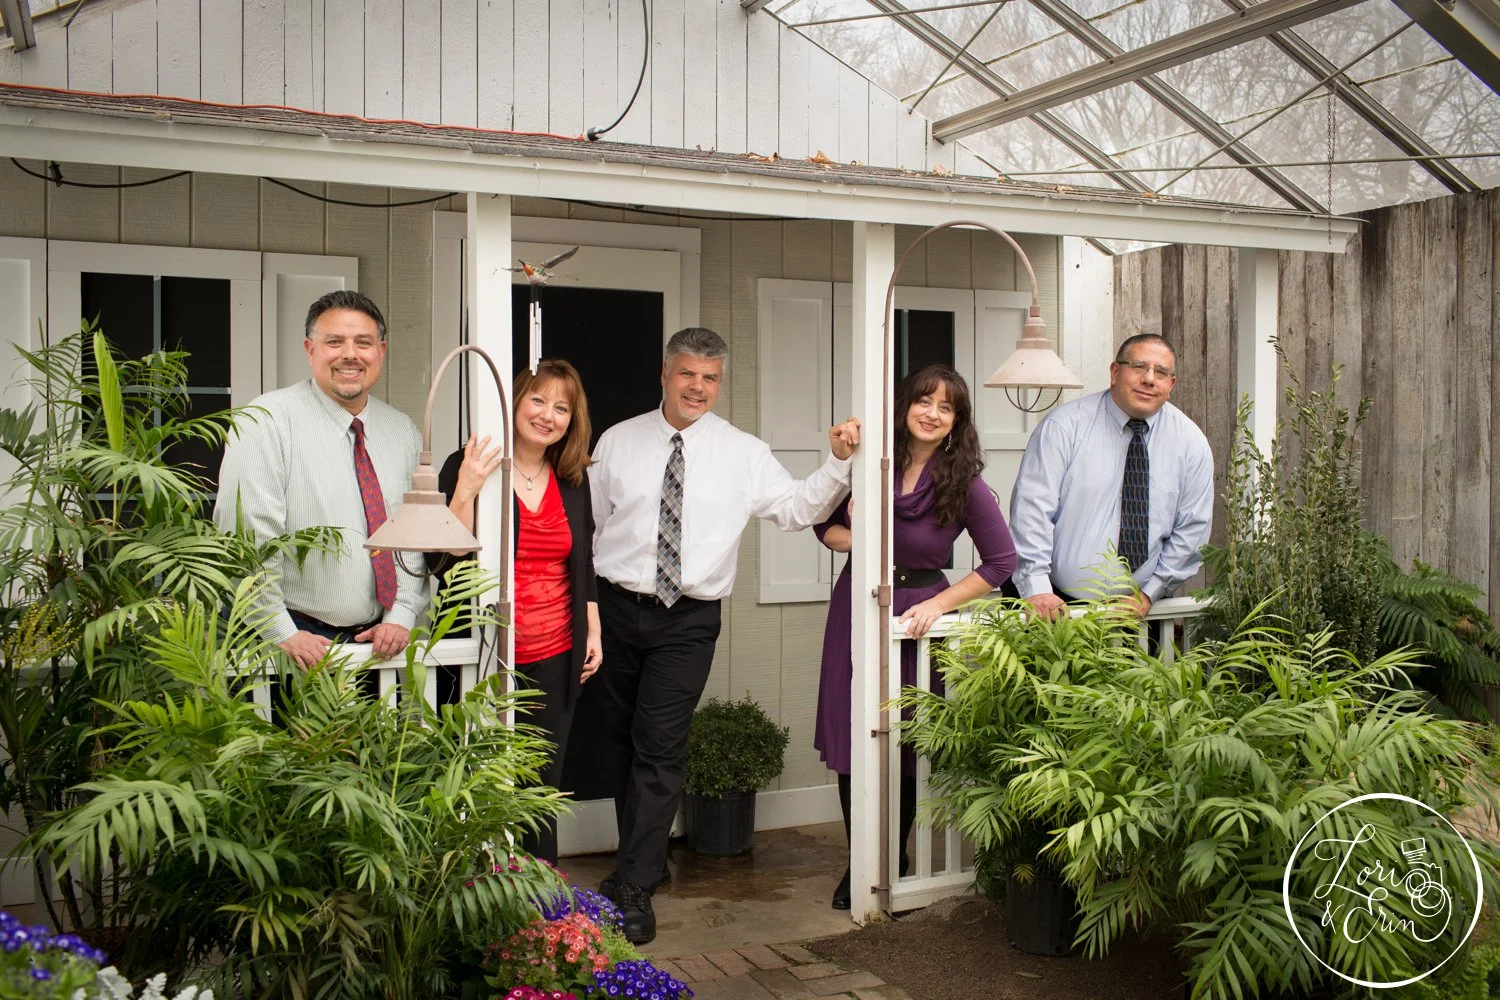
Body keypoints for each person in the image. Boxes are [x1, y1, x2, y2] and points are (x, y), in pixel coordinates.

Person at [589, 327, 862, 945]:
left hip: (688, 619)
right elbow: (597, 525)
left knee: (660, 745)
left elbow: (796, 509)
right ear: (665, 374)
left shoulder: (742, 451)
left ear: (720, 383)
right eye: (687, 374)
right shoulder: (617, 441)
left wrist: (838, 464)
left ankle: (634, 886)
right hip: (616, 608)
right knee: (621, 742)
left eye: (710, 378)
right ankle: (643, 859)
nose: (698, 387)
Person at [811, 364, 1016, 910]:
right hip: (857, 603)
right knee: (853, 733)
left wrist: (938, 604)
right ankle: (860, 860)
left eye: (946, 407)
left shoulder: (964, 482)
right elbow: (824, 526)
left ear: (957, 422)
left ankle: (894, 856)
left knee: (903, 743)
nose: (932, 413)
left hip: (916, 617)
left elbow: (1001, 562)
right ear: (905, 407)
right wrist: (861, 536)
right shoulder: (870, 464)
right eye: (925, 401)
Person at [431, 359, 602, 866]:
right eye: (538, 400)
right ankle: (474, 890)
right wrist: (466, 486)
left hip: (556, 652)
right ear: (515, 401)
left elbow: (583, 561)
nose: (547, 415)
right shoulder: (470, 463)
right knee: (473, 779)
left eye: (561, 408)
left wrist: (593, 632)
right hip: (482, 650)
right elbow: (443, 559)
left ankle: (538, 898)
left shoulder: (571, 479)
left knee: (540, 787)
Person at [215, 289, 424, 670]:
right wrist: (279, 630)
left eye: (363, 342)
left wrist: (402, 613)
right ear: (310, 349)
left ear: (381, 351)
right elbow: (247, 536)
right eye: (334, 342)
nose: (350, 354)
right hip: (285, 643)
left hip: (373, 645)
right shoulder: (267, 420)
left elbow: (410, 535)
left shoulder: (402, 431)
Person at [1008, 332, 1213, 619]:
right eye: (1139, 367)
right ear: (1115, 372)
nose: (1149, 379)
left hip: (1138, 612)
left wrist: (1150, 592)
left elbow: (1192, 527)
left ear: (1171, 384)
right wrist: (1037, 588)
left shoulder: (1191, 443)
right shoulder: (1063, 427)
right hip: (1050, 606)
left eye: (1161, 372)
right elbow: (1031, 512)